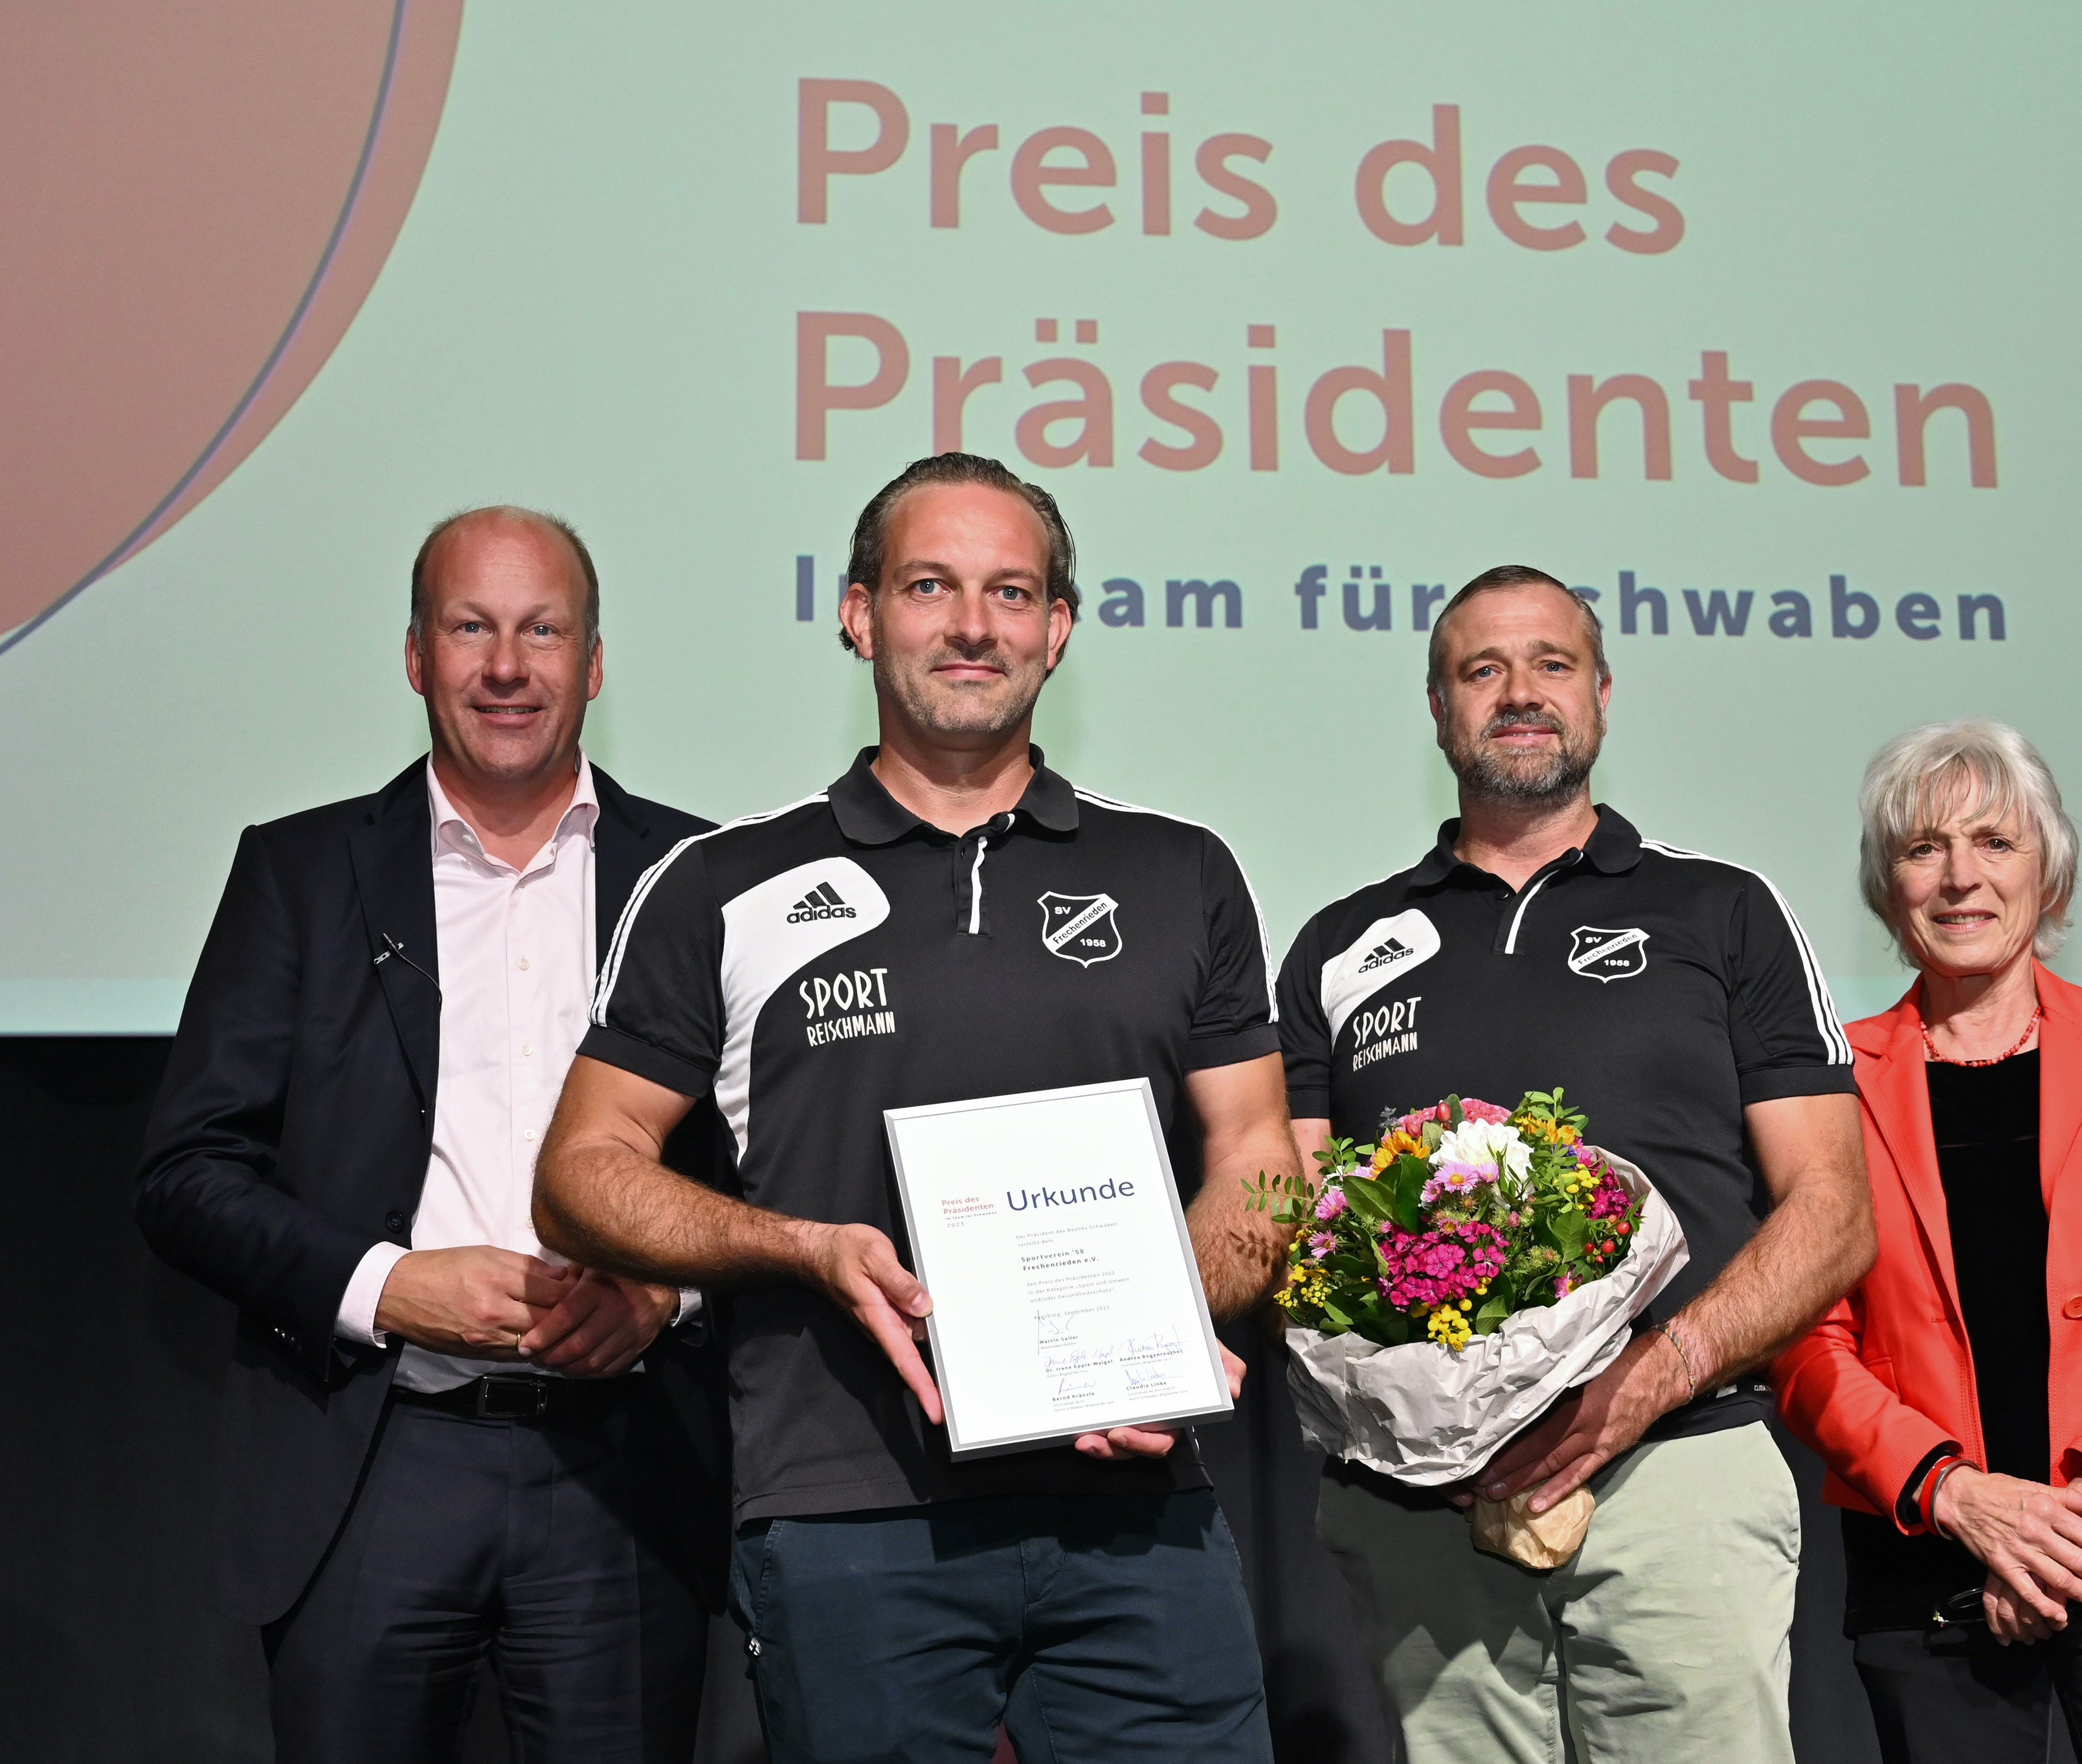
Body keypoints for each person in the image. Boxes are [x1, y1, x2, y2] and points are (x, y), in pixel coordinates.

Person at [532, 452, 1289, 1764]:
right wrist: (802, 1247)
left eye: (1010, 591)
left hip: (1135, 1506)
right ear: (859, 613)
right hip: (846, 1512)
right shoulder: (722, 881)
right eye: (930, 585)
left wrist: (1165, 1318)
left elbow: (1259, 1158)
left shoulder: (1179, 872)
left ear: (1058, 627)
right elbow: (581, 1172)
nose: (973, 624)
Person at [135, 508, 726, 1761]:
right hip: (372, 1460)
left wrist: (661, 1291)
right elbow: (186, 1172)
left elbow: (764, 1169)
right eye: (470, 627)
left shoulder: (697, 877)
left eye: (541, 629)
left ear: (595, 662)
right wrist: (388, 1287)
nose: (505, 665)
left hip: (625, 1472)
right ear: (416, 656)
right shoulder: (297, 873)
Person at [1268, 564, 1876, 1764]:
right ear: (1438, 708)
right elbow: (1300, 1231)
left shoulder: (1723, 910)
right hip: (1419, 1504)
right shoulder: (1339, 944)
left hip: (1682, 1466)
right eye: (1480, 669)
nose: (1519, 693)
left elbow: (1836, 1210)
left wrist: (1646, 1379)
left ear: (1601, 693)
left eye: (1550, 663)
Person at [1771, 718, 2082, 1763]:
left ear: (2048, 873)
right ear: (1887, 886)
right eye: (1924, 848)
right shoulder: (1836, 1084)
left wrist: (2081, 1511)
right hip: (1929, 1568)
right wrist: (1961, 1498)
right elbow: (1806, 1343)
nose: (1961, 877)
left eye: (1995, 842)